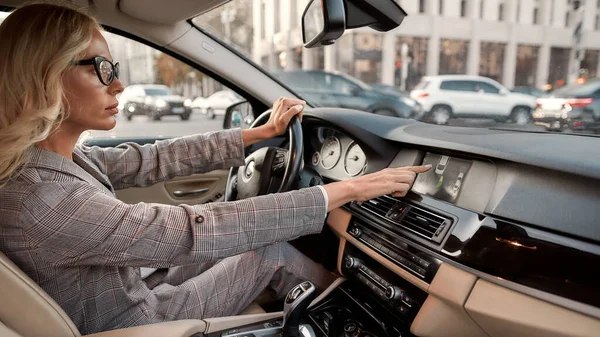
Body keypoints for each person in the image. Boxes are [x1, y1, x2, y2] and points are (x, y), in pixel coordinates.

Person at [0, 2, 431, 335]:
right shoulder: (46, 198)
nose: (118, 84)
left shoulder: (50, 163)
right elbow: (193, 230)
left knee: (239, 245)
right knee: (268, 252)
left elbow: (154, 158)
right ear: (46, 75)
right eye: (102, 68)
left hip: (130, 286)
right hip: (138, 322)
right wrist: (345, 191)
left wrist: (256, 137)